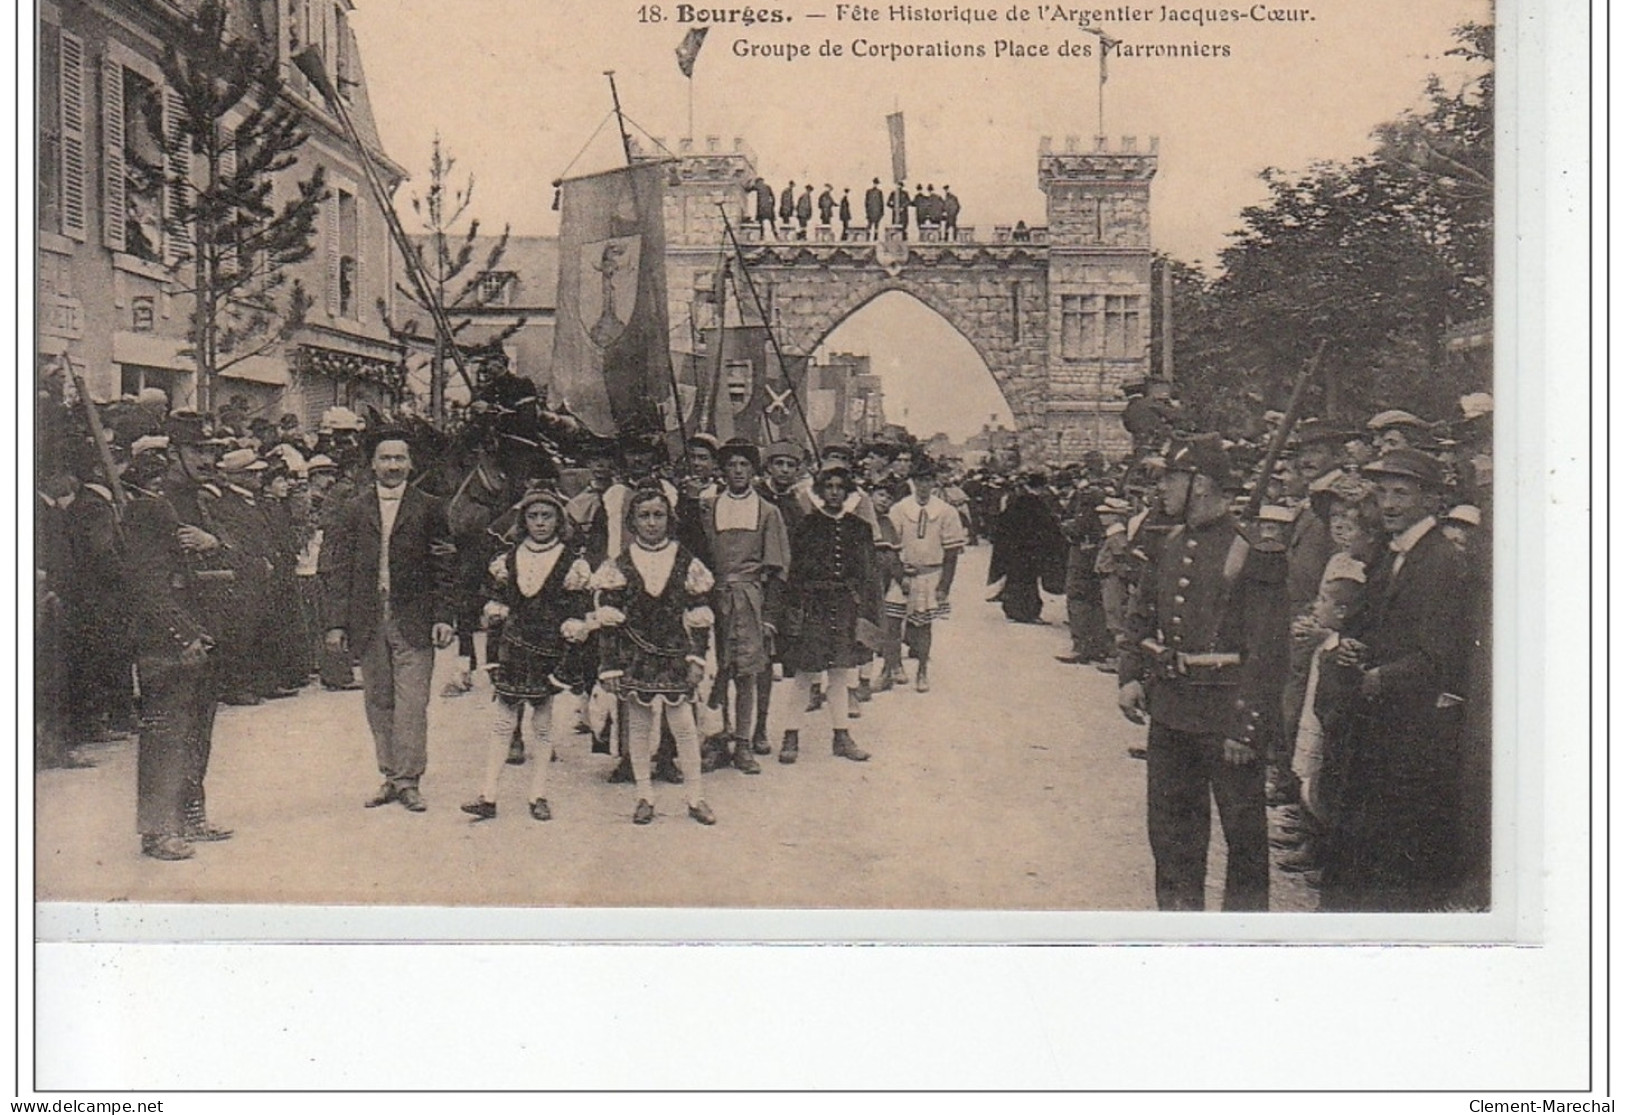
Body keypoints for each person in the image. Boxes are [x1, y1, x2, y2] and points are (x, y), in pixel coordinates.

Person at [1117, 434, 1287, 911]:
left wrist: (1246, 727)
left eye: (1172, 479)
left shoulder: (1254, 552)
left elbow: (1268, 651)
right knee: (1171, 835)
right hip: (1172, 711)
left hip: (1225, 716)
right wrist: (1130, 673)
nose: (1162, 490)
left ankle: (1242, 939)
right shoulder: (1168, 542)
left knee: (1244, 842)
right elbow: (1141, 614)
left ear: (1203, 485)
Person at [1318, 448, 1471, 911]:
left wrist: (1379, 678)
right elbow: (1366, 623)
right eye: (1382, 492)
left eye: (1401, 493)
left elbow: (1440, 656)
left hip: (1412, 734)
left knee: (1395, 866)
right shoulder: (1391, 554)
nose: (1388, 503)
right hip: (1376, 728)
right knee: (1362, 856)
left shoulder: (1442, 561)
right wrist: (1346, 645)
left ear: (1431, 499)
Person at [321, 428, 458, 813]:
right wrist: (337, 622)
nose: (393, 466)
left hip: (413, 617)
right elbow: (340, 567)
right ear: (373, 464)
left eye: (400, 458)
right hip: (368, 617)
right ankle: (389, 775)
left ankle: (409, 779)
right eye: (386, 458)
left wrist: (444, 615)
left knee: (412, 702)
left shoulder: (430, 507)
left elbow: (444, 564)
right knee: (378, 700)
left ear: (411, 464)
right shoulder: (355, 508)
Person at [123, 413, 236, 859]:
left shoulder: (200, 499)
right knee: (166, 733)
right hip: (167, 638)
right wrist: (180, 635)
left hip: (204, 630)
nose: (209, 459)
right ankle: (158, 830)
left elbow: (235, 550)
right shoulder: (152, 504)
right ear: (174, 454)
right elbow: (145, 583)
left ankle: (190, 817)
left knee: (197, 731)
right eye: (199, 451)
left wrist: (213, 543)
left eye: (213, 451)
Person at [461, 489, 595, 822]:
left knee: (543, 724)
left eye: (546, 516)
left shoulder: (571, 563)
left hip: (547, 650)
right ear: (523, 520)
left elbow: (578, 612)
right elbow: (497, 611)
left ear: (558, 520)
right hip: (514, 648)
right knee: (503, 722)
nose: (539, 523)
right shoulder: (508, 560)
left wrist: (567, 658)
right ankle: (488, 795)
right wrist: (492, 656)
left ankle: (538, 794)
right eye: (533, 517)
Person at [589, 487, 718, 825]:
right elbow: (608, 622)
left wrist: (698, 659)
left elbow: (700, 615)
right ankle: (644, 795)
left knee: (684, 727)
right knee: (640, 728)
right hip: (635, 655)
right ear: (632, 520)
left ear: (669, 519)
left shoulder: (687, 561)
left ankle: (696, 796)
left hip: (675, 654)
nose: (651, 522)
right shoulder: (618, 565)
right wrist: (610, 667)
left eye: (658, 515)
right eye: (643, 516)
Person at [777, 462, 879, 763]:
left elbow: (867, 574)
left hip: (845, 606)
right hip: (813, 606)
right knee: (806, 674)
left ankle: (841, 736)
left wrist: (864, 613)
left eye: (840, 488)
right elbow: (794, 573)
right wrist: (795, 611)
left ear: (847, 492)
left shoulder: (859, 528)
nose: (834, 493)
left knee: (839, 672)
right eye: (828, 487)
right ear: (820, 492)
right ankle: (790, 735)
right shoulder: (806, 526)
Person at [701, 438, 790, 771]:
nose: (737, 471)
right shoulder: (708, 508)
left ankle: (743, 744)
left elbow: (778, 569)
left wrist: (769, 617)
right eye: (731, 465)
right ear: (722, 471)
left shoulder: (768, 512)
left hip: (750, 599)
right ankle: (718, 739)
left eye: (744, 465)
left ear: (753, 470)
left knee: (747, 674)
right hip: (714, 596)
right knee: (718, 671)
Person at [886, 458, 967, 692]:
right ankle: (893, 668)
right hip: (902, 573)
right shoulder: (900, 509)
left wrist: (944, 586)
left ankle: (922, 671)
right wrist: (899, 574)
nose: (923, 486)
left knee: (923, 625)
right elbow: (891, 546)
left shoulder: (946, 511)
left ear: (934, 482)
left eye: (928, 480)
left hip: (931, 574)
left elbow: (951, 553)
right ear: (912, 482)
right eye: (919, 480)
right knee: (892, 622)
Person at [989, 471, 1064, 625]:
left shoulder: (1016, 500)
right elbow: (1046, 527)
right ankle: (1028, 612)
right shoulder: (1035, 502)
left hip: (1014, 548)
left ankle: (1012, 610)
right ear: (1042, 486)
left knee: (1015, 579)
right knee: (1028, 582)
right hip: (1030, 550)